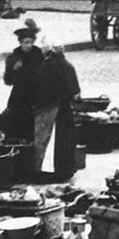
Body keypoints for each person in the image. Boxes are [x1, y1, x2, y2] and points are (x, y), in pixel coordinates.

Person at [35, 38, 81, 179]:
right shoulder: (68, 66)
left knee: (43, 139)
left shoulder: (42, 66)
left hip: (45, 109)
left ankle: (40, 169)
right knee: (64, 140)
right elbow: (76, 94)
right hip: (64, 109)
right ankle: (63, 170)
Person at [0, 22, 43, 141]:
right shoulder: (14, 57)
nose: (29, 45)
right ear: (20, 43)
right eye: (26, 43)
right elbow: (7, 80)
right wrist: (14, 70)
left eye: (31, 42)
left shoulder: (38, 55)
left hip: (34, 95)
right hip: (19, 95)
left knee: (31, 126)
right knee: (15, 123)